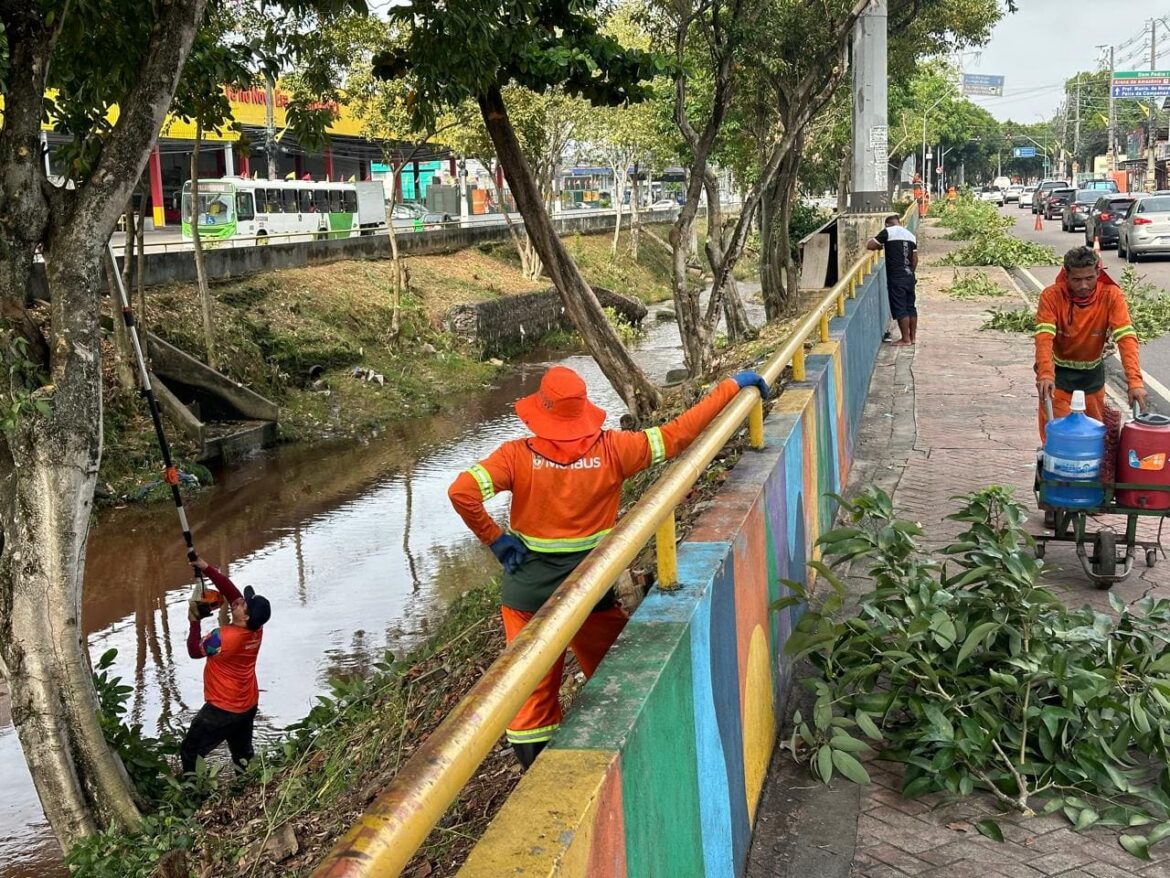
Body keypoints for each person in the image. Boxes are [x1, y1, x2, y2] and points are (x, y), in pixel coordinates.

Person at [448, 365, 769, 769]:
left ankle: (541, 776)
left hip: (527, 595)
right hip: (591, 588)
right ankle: (629, 756)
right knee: (614, 673)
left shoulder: (515, 456)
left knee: (529, 691)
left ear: (539, 413)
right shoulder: (614, 449)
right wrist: (730, 387)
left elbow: (461, 492)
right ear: (583, 410)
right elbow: (678, 436)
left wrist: (495, 538)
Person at [1034, 245, 1147, 441]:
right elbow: (1044, 338)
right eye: (1077, 280)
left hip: (1092, 379)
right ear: (1066, 276)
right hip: (1058, 378)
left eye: (1089, 278)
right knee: (1057, 438)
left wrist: (1135, 382)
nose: (1084, 286)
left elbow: (1126, 338)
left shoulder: (1111, 295)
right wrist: (1045, 374)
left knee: (1094, 439)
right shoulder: (1051, 296)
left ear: (1098, 273)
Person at [180, 554, 271, 773]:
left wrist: (194, 621)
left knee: (190, 752)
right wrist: (205, 566)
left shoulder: (223, 637)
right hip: (247, 705)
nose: (237, 601)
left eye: (242, 604)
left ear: (245, 616)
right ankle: (248, 787)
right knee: (242, 756)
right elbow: (231, 592)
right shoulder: (256, 628)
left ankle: (195, 797)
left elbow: (194, 651)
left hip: (221, 709)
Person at [866, 214, 918, 346]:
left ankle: (905, 339)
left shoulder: (888, 232)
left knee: (900, 307)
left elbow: (870, 245)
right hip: (909, 276)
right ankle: (912, 338)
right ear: (899, 222)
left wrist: (880, 245)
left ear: (887, 224)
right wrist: (911, 273)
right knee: (910, 307)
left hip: (896, 277)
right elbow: (915, 259)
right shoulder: (910, 235)